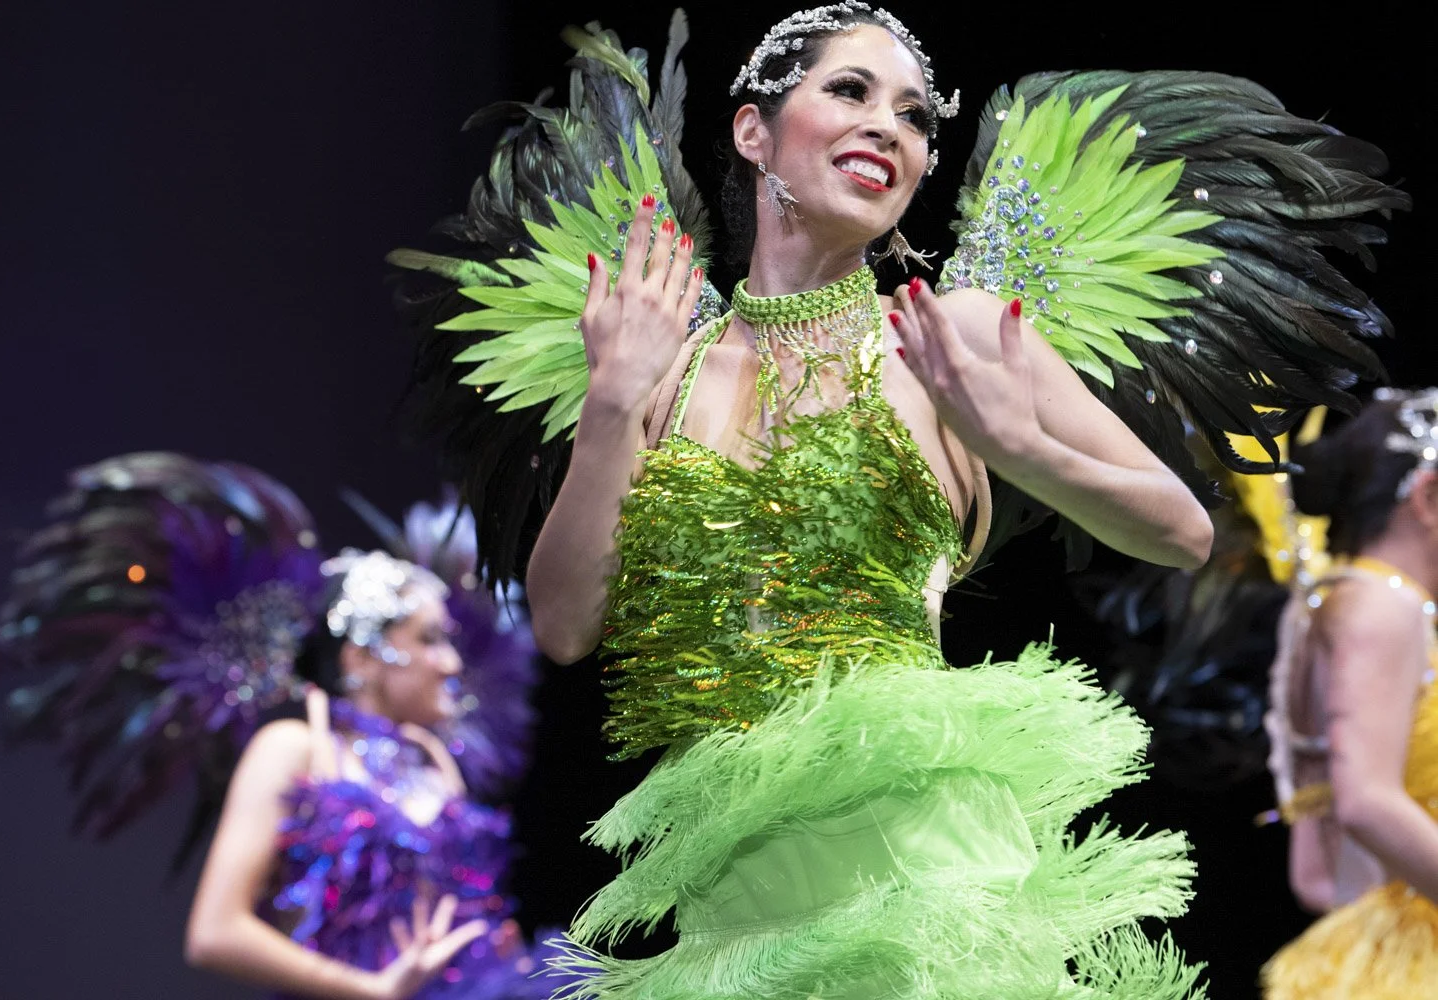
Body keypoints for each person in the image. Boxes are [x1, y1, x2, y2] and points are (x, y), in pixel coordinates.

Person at [390, 5, 1404, 995]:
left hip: (918, 863)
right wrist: (610, 401)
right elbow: (565, 625)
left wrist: (1017, 444)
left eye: (916, 116)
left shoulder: (949, 329)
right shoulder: (658, 364)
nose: (892, 125)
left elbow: (1180, 528)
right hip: (734, 895)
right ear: (755, 131)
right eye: (850, 90)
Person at [0, 453, 564, 999]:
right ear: (362, 658)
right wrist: (370, 992)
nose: (452, 662)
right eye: (430, 639)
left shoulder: (434, 761)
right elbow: (215, 932)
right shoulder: (292, 748)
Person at [1258, 389, 1438, 997]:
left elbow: (1315, 862)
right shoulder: (1382, 607)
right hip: (1410, 952)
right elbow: (1364, 799)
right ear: (1429, 498)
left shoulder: (1343, 599)